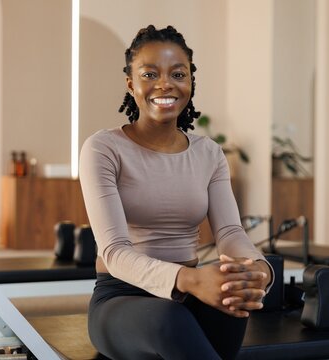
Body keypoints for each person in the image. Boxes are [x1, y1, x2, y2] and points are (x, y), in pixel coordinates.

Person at [79, 25, 273, 359]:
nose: (165, 84)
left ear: (191, 82)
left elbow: (229, 231)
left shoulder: (208, 152)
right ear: (131, 83)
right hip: (122, 298)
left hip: (191, 292)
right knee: (169, 318)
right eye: (150, 74)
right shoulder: (103, 148)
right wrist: (189, 280)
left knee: (231, 300)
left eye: (178, 73)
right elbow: (114, 251)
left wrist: (258, 268)